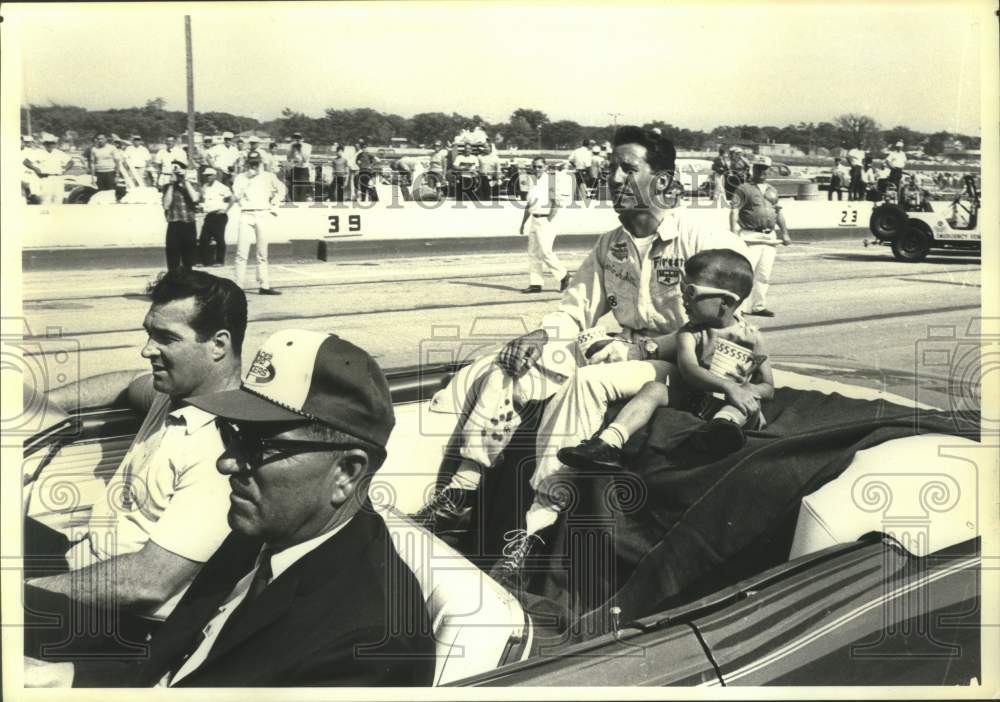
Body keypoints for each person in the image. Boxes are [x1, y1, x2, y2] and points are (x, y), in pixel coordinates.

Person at [418, 126, 748, 588]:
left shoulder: (702, 236)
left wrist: (647, 347)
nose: (612, 177)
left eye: (627, 169)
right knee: (507, 363)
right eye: (612, 166)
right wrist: (538, 335)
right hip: (621, 351)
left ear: (664, 182)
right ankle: (462, 492)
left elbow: (725, 323)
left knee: (583, 385)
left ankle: (534, 530)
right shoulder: (610, 243)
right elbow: (574, 310)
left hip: (682, 360)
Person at [26, 329, 436, 688]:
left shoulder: (369, 645)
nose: (226, 462)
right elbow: (171, 663)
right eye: (231, 433)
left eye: (260, 446)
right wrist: (66, 679)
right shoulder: (265, 529)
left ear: (347, 471)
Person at [24, 270, 246, 658]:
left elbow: (148, 583)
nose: (147, 349)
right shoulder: (175, 393)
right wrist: (42, 408)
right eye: (149, 333)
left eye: (166, 338)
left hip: (127, 624)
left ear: (218, 345)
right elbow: (128, 383)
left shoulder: (224, 451)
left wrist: (26, 591)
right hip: (86, 562)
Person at [558, 248, 773, 468]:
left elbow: (768, 386)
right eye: (681, 290)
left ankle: (720, 431)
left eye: (691, 292)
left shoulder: (753, 338)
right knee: (654, 388)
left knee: (741, 406)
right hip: (698, 400)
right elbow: (689, 369)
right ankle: (610, 442)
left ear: (725, 302)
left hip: (731, 406)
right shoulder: (690, 333)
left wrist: (747, 390)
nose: (683, 299)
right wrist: (728, 386)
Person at [729, 155, 791, 317]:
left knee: (764, 274)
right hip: (750, 236)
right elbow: (734, 211)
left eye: (765, 169)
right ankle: (739, 308)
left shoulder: (772, 190)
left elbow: (778, 212)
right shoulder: (744, 189)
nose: (762, 172)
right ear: (753, 169)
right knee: (745, 273)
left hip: (769, 237)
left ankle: (758, 306)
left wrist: (785, 232)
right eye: (759, 168)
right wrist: (734, 233)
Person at [232, 150, 286, 295]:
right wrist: (248, 179)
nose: (254, 165)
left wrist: (274, 204)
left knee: (262, 253)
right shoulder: (241, 178)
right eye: (252, 163)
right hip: (246, 214)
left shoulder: (268, 176)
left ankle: (264, 285)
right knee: (241, 253)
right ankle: (238, 286)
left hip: (262, 213)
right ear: (247, 162)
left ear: (260, 162)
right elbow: (236, 195)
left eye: (256, 163)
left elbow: (282, 190)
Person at [517, 157, 569, 294]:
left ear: (545, 167)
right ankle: (536, 284)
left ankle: (564, 276)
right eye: (535, 166)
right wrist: (523, 223)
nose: (537, 169)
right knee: (533, 253)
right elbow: (529, 205)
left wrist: (550, 218)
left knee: (546, 252)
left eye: (540, 166)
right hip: (534, 220)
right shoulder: (533, 182)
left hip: (546, 220)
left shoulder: (550, 180)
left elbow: (557, 201)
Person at [162, 161, 202, 271]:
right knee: (173, 259)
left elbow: (195, 198)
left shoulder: (194, 185)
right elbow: (166, 205)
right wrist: (171, 184)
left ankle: (187, 284)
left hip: (189, 224)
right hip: (174, 224)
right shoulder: (167, 187)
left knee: (188, 260)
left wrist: (185, 180)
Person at [198, 168, 234, 267]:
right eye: (206, 175)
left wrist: (226, 210)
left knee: (219, 238)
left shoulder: (221, 187)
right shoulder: (205, 187)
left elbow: (232, 198)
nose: (208, 177)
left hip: (219, 215)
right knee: (204, 238)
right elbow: (202, 199)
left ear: (214, 176)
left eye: (210, 175)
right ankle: (205, 261)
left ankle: (219, 261)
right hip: (209, 215)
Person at [24, 133, 73, 205]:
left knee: (58, 200)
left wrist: (65, 169)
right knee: (46, 200)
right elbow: (26, 162)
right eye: (47, 143)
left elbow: (71, 162)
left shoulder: (59, 153)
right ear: (44, 144)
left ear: (55, 144)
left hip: (58, 178)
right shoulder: (39, 153)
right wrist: (36, 169)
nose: (50, 145)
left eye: (52, 143)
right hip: (46, 179)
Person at [286, 132, 314, 202]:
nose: (297, 140)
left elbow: (305, 160)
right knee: (294, 190)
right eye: (295, 138)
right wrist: (293, 149)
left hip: (304, 169)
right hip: (296, 169)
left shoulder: (307, 146)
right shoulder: (292, 146)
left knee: (303, 190)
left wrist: (300, 150)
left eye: (299, 138)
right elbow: (289, 159)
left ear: (302, 139)